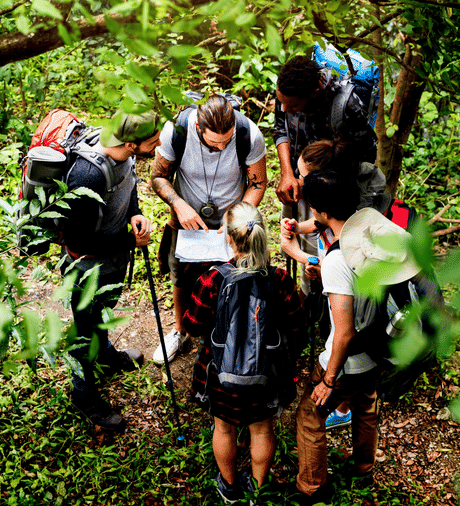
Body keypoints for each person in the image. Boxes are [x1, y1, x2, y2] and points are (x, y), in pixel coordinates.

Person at [280, 170, 420, 504]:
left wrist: (328, 380)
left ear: (321, 210)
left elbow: (344, 332)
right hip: (382, 345)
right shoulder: (372, 223)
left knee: (311, 417)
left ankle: (311, 487)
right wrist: (301, 240)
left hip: (348, 359)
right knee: (365, 405)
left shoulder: (337, 261)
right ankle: (363, 466)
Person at [183, 202, 305, 503]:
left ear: (228, 238)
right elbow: (298, 327)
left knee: (223, 428)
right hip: (267, 374)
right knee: (262, 430)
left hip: (220, 374)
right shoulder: (279, 280)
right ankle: (257, 491)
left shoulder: (212, 279)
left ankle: (229, 487)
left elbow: (193, 326)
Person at [59, 109, 162, 431]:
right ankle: (84, 394)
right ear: (131, 143)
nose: (159, 146)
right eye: (153, 141)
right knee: (83, 330)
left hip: (112, 260)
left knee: (103, 312)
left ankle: (103, 353)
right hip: (86, 267)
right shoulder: (87, 175)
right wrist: (132, 239)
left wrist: (135, 215)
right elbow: (78, 238)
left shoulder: (125, 158)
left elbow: (128, 191)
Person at [151, 93, 268, 363]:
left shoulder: (249, 134)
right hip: (186, 218)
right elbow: (158, 176)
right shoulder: (176, 131)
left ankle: (236, 330)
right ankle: (181, 331)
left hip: (232, 219)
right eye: (214, 142)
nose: (222, 147)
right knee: (181, 273)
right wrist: (178, 204)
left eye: (227, 141)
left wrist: (236, 215)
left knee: (239, 273)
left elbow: (258, 183)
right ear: (197, 127)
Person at [274, 56, 378, 295]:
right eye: (281, 103)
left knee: (328, 253)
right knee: (303, 244)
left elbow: (363, 155)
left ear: (315, 91)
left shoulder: (345, 104)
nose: (285, 109)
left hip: (331, 197)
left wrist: (314, 181)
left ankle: (332, 305)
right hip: (297, 183)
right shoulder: (287, 91)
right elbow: (281, 128)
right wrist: (289, 174)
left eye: (293, 107)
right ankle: (308, 302)